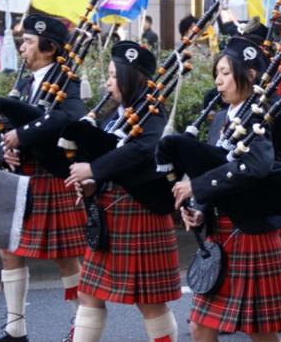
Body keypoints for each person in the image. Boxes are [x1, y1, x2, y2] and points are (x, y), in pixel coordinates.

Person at [172, 37, 281, 341]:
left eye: (225, 73)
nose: (218, 80)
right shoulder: (222, 119)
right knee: (200, 326)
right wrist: (199, 209)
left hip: (249, 231)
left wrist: (197, 187)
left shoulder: (260, 116)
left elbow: (256, 165)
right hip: (222, 230)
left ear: (250, 76)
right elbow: (213, 167)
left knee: (261, 332)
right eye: (217, 73)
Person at [66, 41, 181, 342]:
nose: (108, 82)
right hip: (109, 211)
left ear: (132, 78)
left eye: (114, 76)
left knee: (149, 302)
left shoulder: (152, 114)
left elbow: (142, 151)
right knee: (89, 292)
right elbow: (106, 153)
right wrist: (91, 184)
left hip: (139, 212)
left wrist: (93, 170)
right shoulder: (113, 114)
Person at [0, 15, 87, 342]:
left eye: (29, 41)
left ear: (48, 48)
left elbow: (68, 118)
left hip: (51, 174)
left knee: (65, 257)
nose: (23, 46)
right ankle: (15, 330)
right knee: (9, 249)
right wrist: (6, 146)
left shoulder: (67, 80)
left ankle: (81, 327)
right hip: (25, 177)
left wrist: (25, 134)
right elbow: (7, 119)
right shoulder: (26, 81)